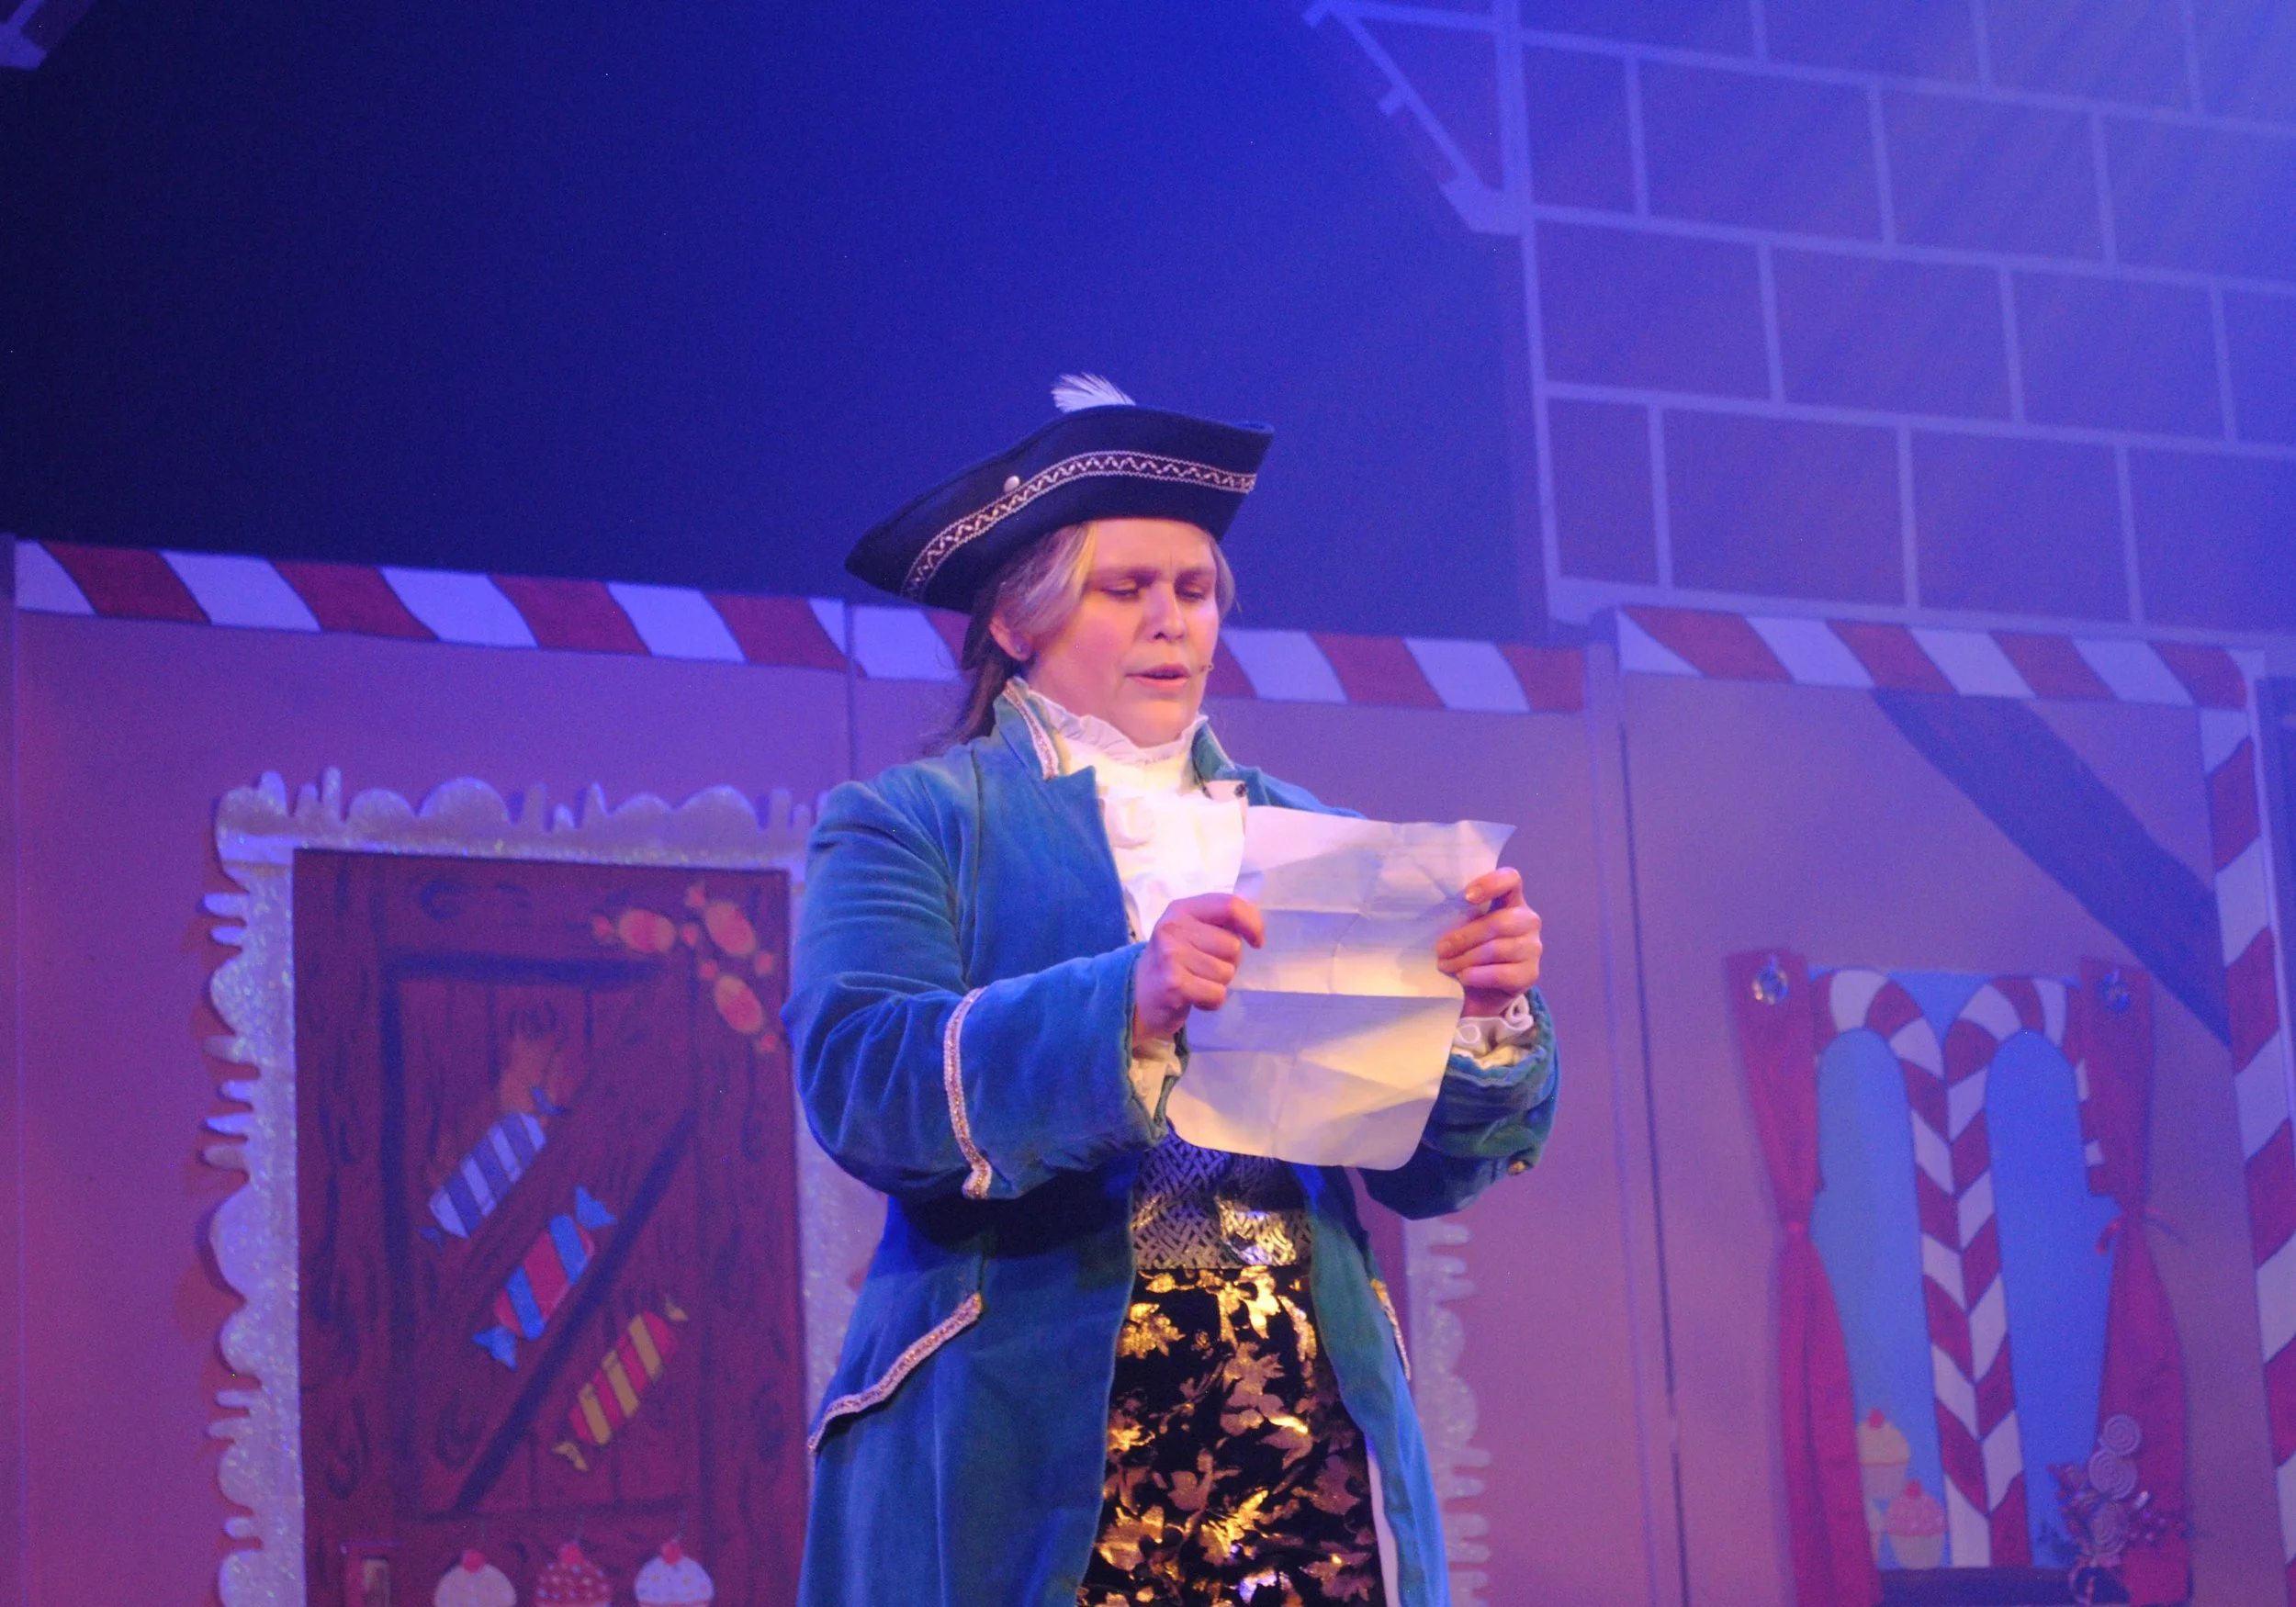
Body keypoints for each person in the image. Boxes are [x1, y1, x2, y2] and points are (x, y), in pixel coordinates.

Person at [787, 376, 1559, 1606]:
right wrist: (1126, 1006)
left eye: (1193, 591)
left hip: (1301, 1429)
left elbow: (1434, 1169)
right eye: (1125, 589)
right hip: (1034, 1435)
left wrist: (1479, 1015)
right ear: (1017, 621)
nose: (1170, 623)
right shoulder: (912, 823)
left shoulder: (1314, 837)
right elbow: (862, 1077)